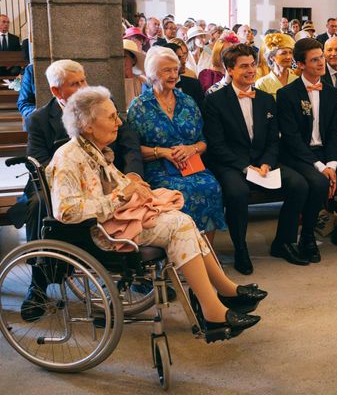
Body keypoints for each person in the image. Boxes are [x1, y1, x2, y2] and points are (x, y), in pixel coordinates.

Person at [46, 86, 263, 339]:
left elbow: (117, 187)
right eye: (111, 117)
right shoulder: (69, 158)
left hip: (117, 219)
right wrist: (121, 196)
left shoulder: (93, 149)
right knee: (179, 226)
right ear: (87, 125)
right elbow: (66, 211)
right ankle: (214, 309)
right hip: (100, 231)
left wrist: (134, 187)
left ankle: (225, 291)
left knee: (184, 220)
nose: (118, 122)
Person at [18, 60, 144, 321]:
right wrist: (74, 175)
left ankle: (133, 269)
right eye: (75, 83)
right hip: (56, 183)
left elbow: (130, 144)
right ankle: (39, 283)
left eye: (84, 80)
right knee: (40, 203)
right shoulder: (40, 119)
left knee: (129, 192)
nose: (83, 86)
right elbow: (39, 161)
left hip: (103, 177)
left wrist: (131, 174)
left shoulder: (101, 106)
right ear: (56, 91)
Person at [204, 44, 309, 274]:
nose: (251, 70)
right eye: (244, 66)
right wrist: (244, 167)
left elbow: (273, 139)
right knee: (237, 192)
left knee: (299, 184)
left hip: (262, 160)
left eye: (252, 64)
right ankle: (240, 248)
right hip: (231, 163)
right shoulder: (215, 100)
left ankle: (283, 242)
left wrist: (266, 163)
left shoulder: (265, 99)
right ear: (230, 70)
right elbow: (216, 145)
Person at [277, 39, 337, 261]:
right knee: (319, 182)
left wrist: (331, 163)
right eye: (314, 59)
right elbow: (291, 139)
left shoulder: (331, 93)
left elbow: (334, 133)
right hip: (299, 156)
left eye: (321, 57)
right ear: (300, 64)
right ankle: (308, 236)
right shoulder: (287, 94)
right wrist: (321, 167)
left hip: (327, 154)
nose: (321, 62)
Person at [127, 47, 226, 243]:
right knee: (180, 193)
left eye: (175, 69)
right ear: (153, 75)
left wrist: (191, 148)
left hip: (191, 165)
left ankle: (207, 252)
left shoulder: (187, 102)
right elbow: (132, 149)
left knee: (211, 187)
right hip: (158, 170)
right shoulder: (139, 106)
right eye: (167, 70)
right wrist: (161, 152)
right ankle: (182, 254)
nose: (173, 75)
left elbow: (203, 142)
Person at [255, 32, 297, 99]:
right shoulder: (262, 83)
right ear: (272, 57)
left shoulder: (296, 80)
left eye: (290, 53)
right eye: (284, 53)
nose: (289, 57)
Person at [164, 42, 205, 109]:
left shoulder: (194, 85)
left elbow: (202, 112)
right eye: (179, 58)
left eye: (183, 56)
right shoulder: (157, 88)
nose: (184, 61)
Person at [123, 39, 148, 107]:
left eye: (124, 56)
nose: (121, 60)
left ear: (133, 60)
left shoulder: (142, 81)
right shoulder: (114, 82)